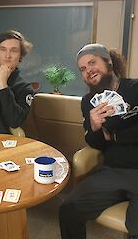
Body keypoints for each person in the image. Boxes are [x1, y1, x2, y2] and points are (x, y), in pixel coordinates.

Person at [59, 44, 138, 239]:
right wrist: (94, 127)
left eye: (92, 62)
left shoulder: (135, 88)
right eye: (83, 69)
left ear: (108, 62)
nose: (88, 71)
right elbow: (96, 143)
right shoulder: (88, 101)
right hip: (112, 170)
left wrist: (115, 136)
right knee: (68, 207)